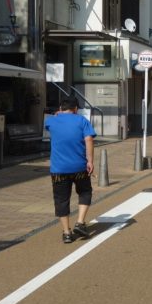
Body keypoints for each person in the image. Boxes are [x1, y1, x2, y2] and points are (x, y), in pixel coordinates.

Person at [45, 96, 97, 244]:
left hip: (58, 169)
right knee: (85, 192)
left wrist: (57, 114)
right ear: (76, 109)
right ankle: (80, 222)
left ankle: (67, 232)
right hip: (80, 166)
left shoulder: (51, 121)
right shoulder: (82, 121)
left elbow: (49, 124)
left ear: (61, 108)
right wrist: (90, 161)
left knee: (61, 199)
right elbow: (89, 140)